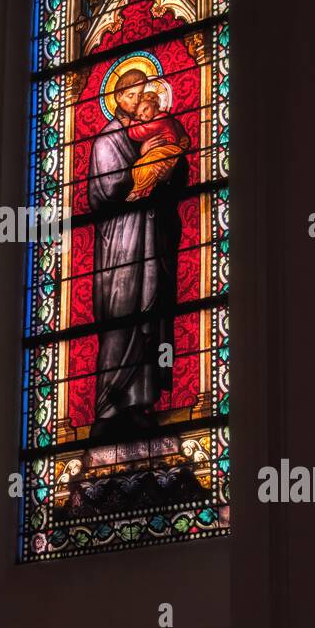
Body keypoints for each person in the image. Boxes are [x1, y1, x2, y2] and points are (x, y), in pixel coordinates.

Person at [86, 68, 187, 445]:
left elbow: (177, 176)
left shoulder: (154, 128)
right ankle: (110, 407)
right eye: (130, 93)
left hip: (152, 236)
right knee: (122, 317)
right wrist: (139, 175)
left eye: (142, 92)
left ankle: (141, 404)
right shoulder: (108, 140)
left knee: (152, 316)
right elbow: (104, 193)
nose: (138, 100)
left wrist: (168, 169)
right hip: (121, 245)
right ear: (117, 98)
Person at [127, 87, 190, 200]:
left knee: (151, 166)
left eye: (145, 109)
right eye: (140, 116)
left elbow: (138, 132)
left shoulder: (162, 119)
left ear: (154, 103)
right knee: (137, 167)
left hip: (168, 152)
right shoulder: (153, 123)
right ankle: (140, 190)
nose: (144, 116)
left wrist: (131, 125)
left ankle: (138, 191)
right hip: (155, 154)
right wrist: (144, 150)